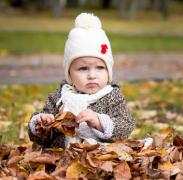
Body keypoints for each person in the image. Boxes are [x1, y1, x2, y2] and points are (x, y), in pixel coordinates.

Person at [28, 13, 135, 149]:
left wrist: (99, 121)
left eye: (100, 68)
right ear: (69, 74)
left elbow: (125, 126)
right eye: (83, 69)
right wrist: (41, 123)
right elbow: (41, 139)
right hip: (61, 157)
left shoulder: (112, 96)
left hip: (100, 156)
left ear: (109, 72)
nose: (92, 75)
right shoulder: (60, 97)